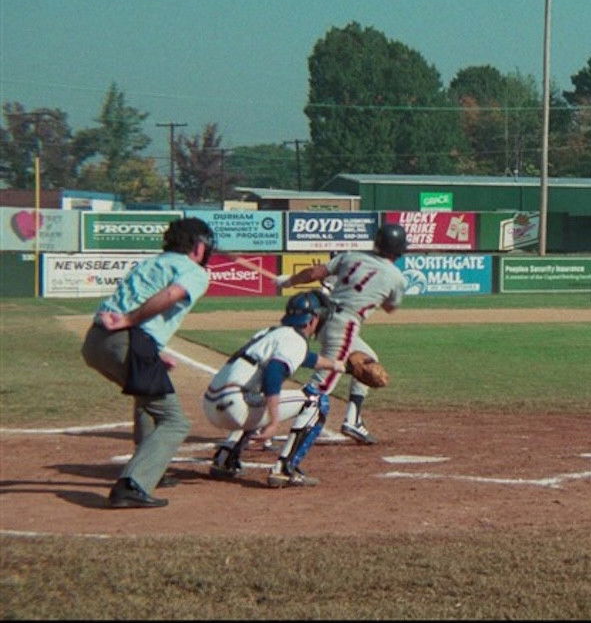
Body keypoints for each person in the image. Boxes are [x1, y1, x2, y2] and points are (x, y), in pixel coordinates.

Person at [80, 217, 215, 508]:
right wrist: (131, 322)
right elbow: (171, 295)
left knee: (147, 398)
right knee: (175, 421)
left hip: (96, 341)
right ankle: (133, 484)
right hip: (128, 339)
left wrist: (152, 351)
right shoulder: (193, 271)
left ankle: (151, 469)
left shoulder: (151, 263)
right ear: (199, 247)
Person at [273, 222, 407, 447]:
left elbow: (313, 273)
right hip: (344, 325)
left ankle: (353, 420)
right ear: (400, 250)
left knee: (367, 361)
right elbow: (390, 307)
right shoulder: (397, 278)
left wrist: (287, 281)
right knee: (320, 386)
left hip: (323, 317)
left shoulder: (351, 256)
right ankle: (263, 421)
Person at [203, 291, 346, 488]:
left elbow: (304, 358)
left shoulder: (272, 333)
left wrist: (335, 365)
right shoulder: (295, 340)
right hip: (237, 407)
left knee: (257, 396)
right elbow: (274, 373)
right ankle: (285, 470)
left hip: (212, 405)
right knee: (316, 401)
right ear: (312, 320)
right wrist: (274, 421)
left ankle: (225, 459)